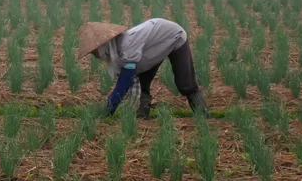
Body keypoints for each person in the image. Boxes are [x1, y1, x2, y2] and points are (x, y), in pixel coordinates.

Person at [77, 18, 209, 119]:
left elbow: (125, 81)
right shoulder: (118, 48)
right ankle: (142, 116)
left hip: (174, 35)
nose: (95, 56)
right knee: (142, 81)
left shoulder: (126, 45)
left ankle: (202, 116)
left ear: (103, 46)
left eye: (95, 52)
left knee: (185, 84)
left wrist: (107, 110)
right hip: (154, 45)